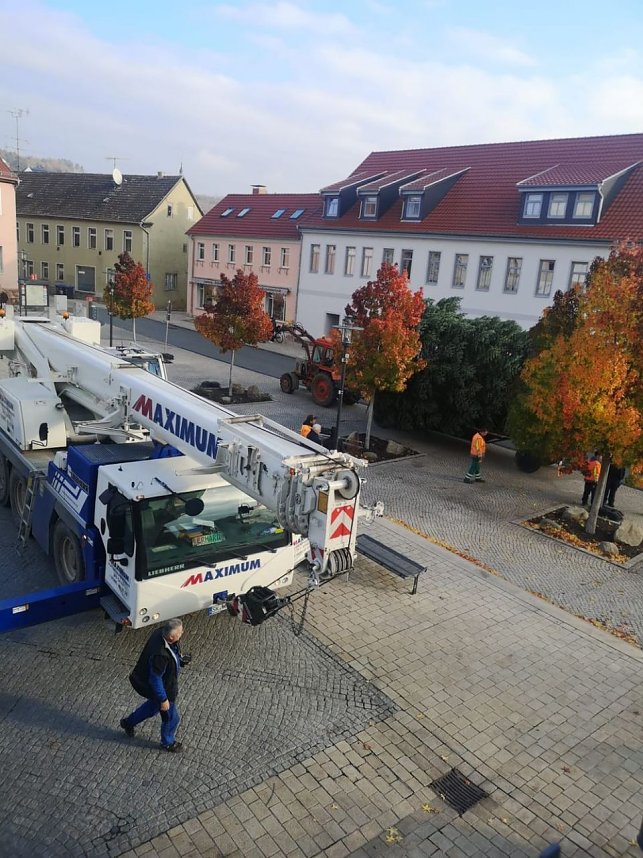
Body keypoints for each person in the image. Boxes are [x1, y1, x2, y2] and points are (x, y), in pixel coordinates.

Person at [120, 617, 188, 752]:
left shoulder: (161, 633)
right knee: (171, 718)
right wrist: (163, 699)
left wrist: (179, 659)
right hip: (164, 690)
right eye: (180, 632)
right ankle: (167, 742)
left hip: (157, 688)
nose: (182, 633)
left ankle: (128, 723)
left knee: (151, 708)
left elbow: (173, 650)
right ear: (171, 636)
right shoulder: (161, 655)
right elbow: (155, 679)